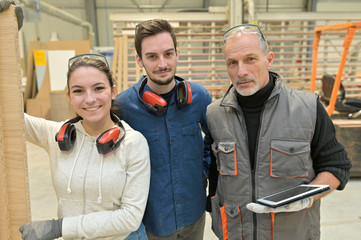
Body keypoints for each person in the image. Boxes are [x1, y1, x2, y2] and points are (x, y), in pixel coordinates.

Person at [206, 24, 352, 240]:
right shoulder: (214, 114)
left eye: (250, 59)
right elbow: (214, 176)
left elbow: (337, 165)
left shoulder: (307, 108)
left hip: (292, 233)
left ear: (269, 59)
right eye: (232, 63)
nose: (241, 71)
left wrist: (308, 197)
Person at [19, 54, 150, 240]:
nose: (89, 99)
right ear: (69, 97)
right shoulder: (56, 135)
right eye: (78, 91)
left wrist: (59, 228)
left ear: (113, 92)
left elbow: (130, 218)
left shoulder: (133, 144)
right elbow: (12, 116)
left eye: (98, 88)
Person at [114, 19, 213, 239]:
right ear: (139, 60)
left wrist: (202, 172)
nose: (162, 64)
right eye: (152, 56)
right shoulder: (123, 107)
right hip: (151, 223)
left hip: (194, 216)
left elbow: (214, 142)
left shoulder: (199, 97)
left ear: (177, 53)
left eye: (168, 54)